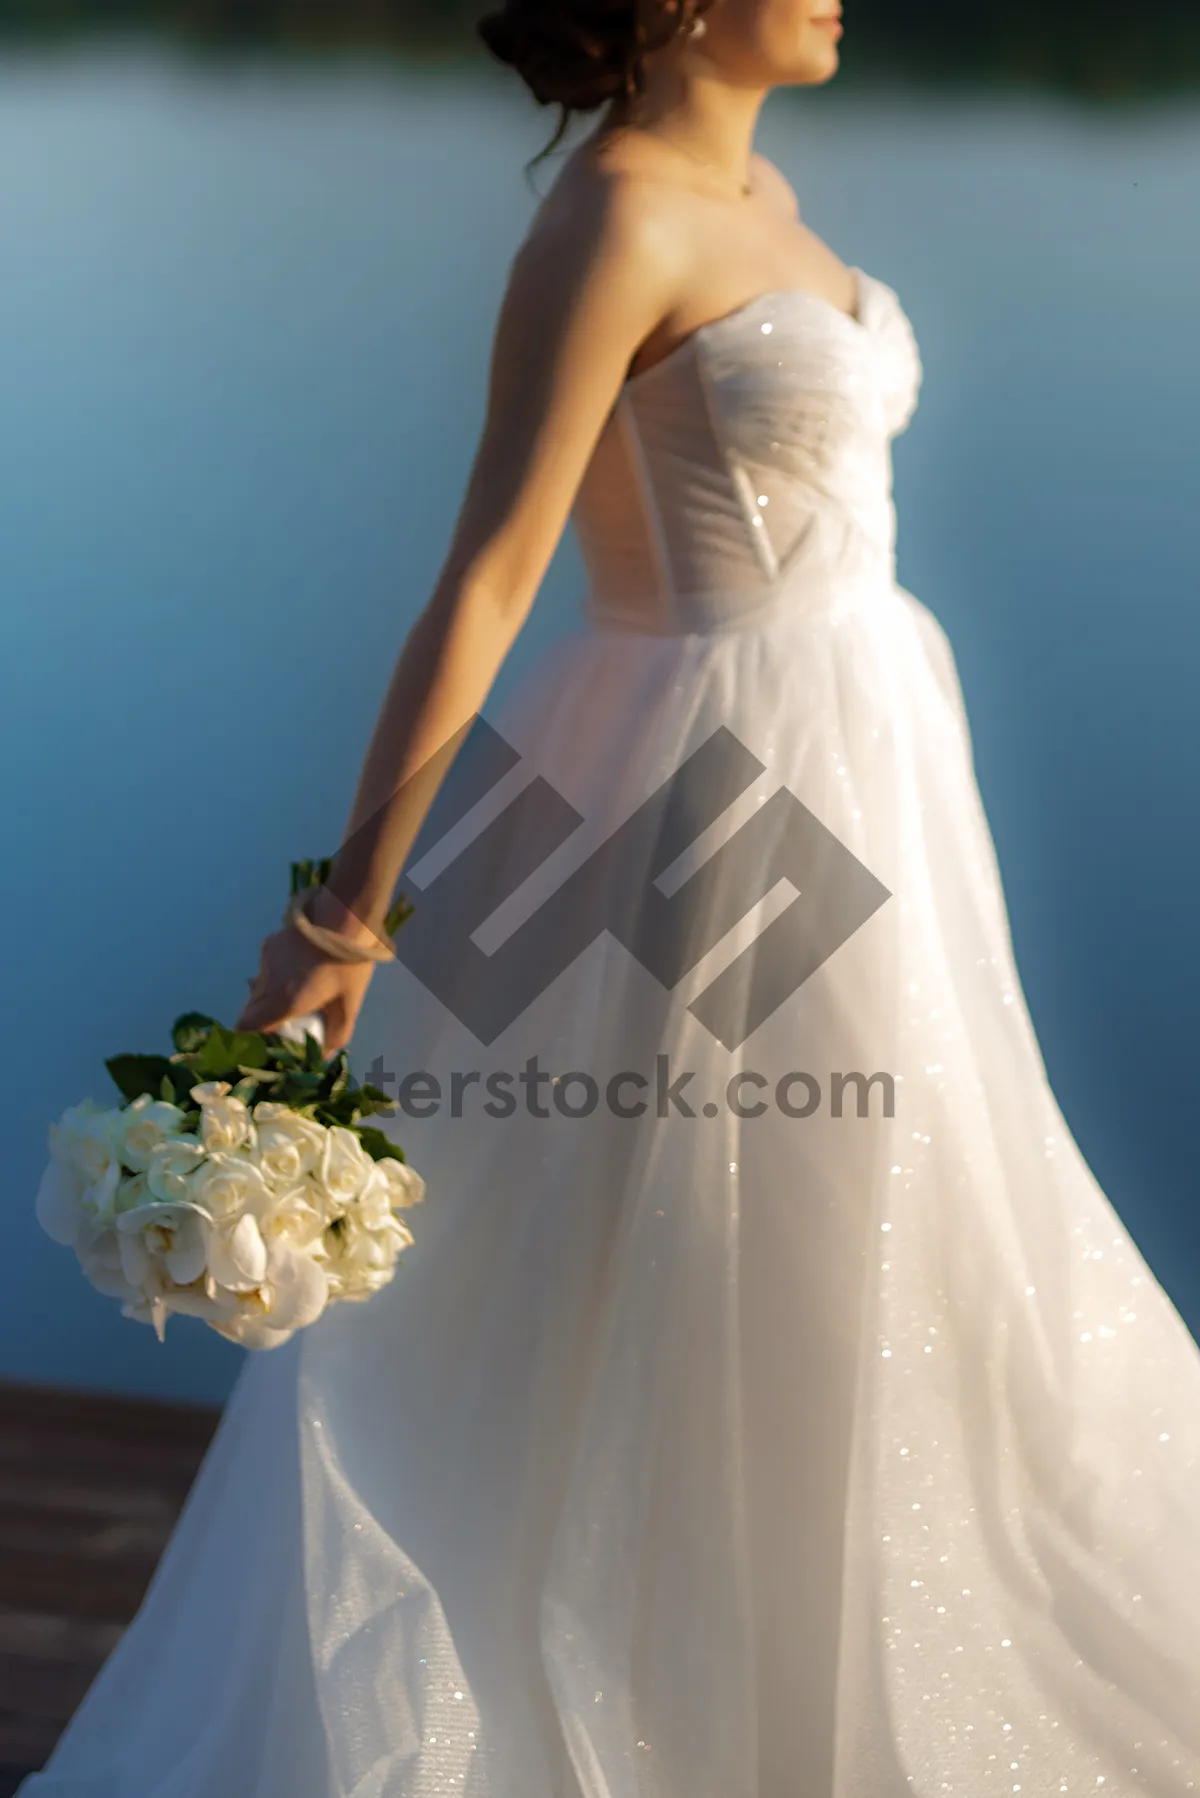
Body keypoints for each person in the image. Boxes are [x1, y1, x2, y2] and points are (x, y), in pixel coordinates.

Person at [24, 1, 1200, 1793]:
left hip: (870, 746)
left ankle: (781, 1681)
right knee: (651, 1235)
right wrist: (350, 917)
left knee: (868, 1222)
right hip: (689, 779)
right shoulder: (614, 215)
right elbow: (494, 570)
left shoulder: (769, 187)